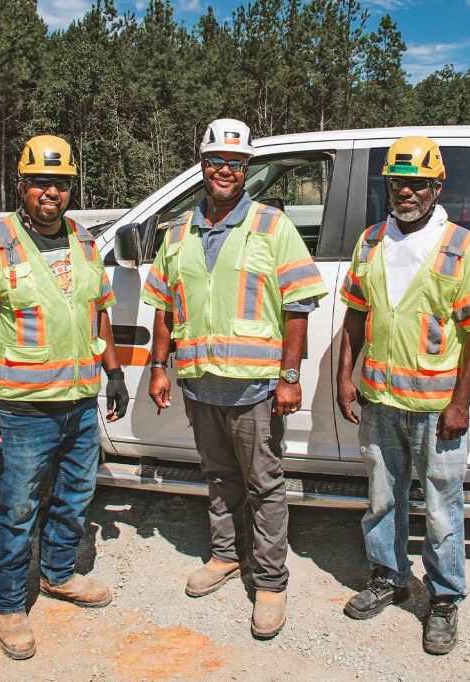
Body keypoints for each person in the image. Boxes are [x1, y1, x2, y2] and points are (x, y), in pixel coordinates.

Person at [141, 118, 327, 638]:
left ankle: (269, 582)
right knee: (218, 478)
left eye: (236, 163)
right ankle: (225, 555)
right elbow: (163, 306)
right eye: (217, 161)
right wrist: (159, 366)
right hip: (200, 384)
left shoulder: (272, 226)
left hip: (255, 388)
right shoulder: (178, 231)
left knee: (264, 483)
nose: (225, 170)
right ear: (202, 166)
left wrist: (289, 376)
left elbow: (298, 305)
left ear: (247, 169)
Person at [0, 134, 129, 660]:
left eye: (61, 183)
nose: (52, 192)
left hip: (79, 401)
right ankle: (9, 604)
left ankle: (59, 574)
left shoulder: (85, 242)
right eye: (42, 182)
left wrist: (113, 372)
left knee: (75, 498)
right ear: (22, 185)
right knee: (17, 507)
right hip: (23, 412)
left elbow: (98, 312)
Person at [336, 136, 470, 655]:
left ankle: (443, 599)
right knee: (382, 499)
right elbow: (355, 316)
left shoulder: (461, 246)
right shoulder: (370, 242)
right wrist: (346, 377)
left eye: (417, 183)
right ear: (387, 185)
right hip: (381, 402)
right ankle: (388, 577)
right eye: (397, 182)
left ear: (437, 186)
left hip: (438, 410)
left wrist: (460, 404)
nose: (406, 191)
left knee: (440, 508)